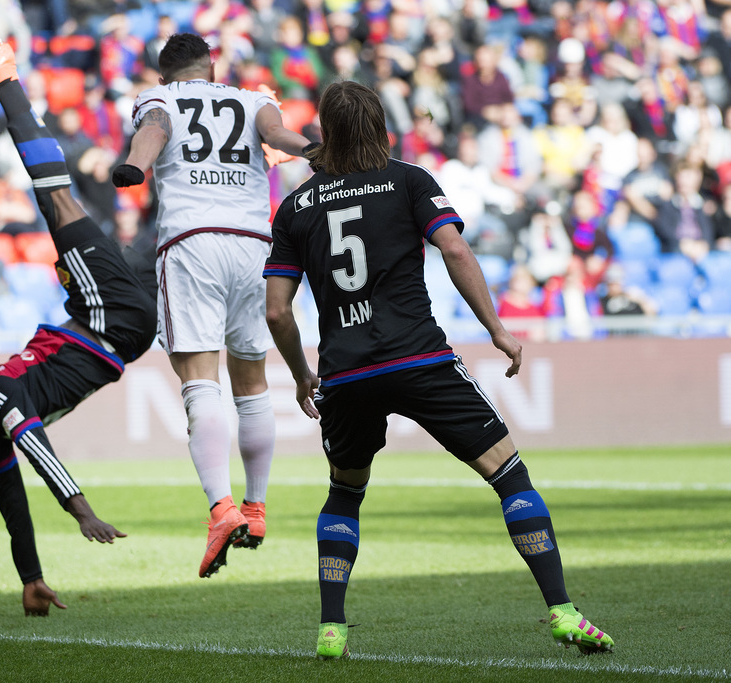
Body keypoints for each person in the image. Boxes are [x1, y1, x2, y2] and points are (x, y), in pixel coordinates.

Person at [263, 81, 614, 660]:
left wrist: (303, 373)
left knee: (345, 493)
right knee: (509, 476)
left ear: (324, 130)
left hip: (346, 373)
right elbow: (454, 251)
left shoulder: (296, 205)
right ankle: (563, 611)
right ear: (379, 124)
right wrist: (497, 329)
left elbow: (277, 309)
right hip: (419, 356)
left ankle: (332, 629)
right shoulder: (408, 180)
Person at [0, 41, 157, 616]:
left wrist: (30, 574)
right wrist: (81, 510)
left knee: (157, 244)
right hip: (108, 322)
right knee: (56, 199)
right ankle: (4, 78)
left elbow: (8, 495)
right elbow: (36, 449)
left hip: (109, 325)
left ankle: (251, 171)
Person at [112, 32, 313, 579]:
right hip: (254, 243)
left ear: (163, 76)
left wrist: (135, 167)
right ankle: (257, 505)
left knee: (200, 380)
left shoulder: (158, 100)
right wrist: (311, 149)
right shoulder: (252, 99)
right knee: (252, 382)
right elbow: (277, 134)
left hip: (192, 241)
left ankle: (222, 510)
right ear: (211, 65)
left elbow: (154, 131)